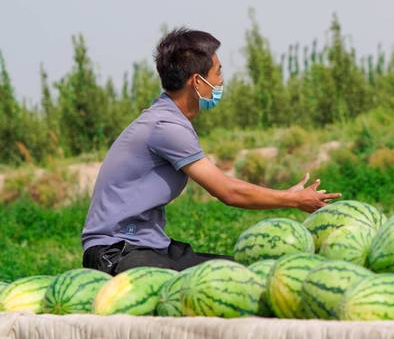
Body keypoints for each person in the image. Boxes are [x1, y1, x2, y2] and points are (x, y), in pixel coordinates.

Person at [81, 28, 340, 274]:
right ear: (197, 81)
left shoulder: (167, 117)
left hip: (149, 246)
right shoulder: (166, 127)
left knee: (243, 271)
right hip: (115, 253)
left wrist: (286, 196)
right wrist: (292, 199)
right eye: (218, 72)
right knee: (226, 284)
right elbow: (227, 191)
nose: (221, 80)